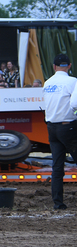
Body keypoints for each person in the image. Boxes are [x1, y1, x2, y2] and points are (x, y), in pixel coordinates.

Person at [44, 54, 77, 210]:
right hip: (68, 126)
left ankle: (58, 203)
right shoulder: (72, 81)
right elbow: (75, 103)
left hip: (52, 127)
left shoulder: (47, 83)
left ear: (54, 66)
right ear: (69, 66)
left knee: (57, 167)